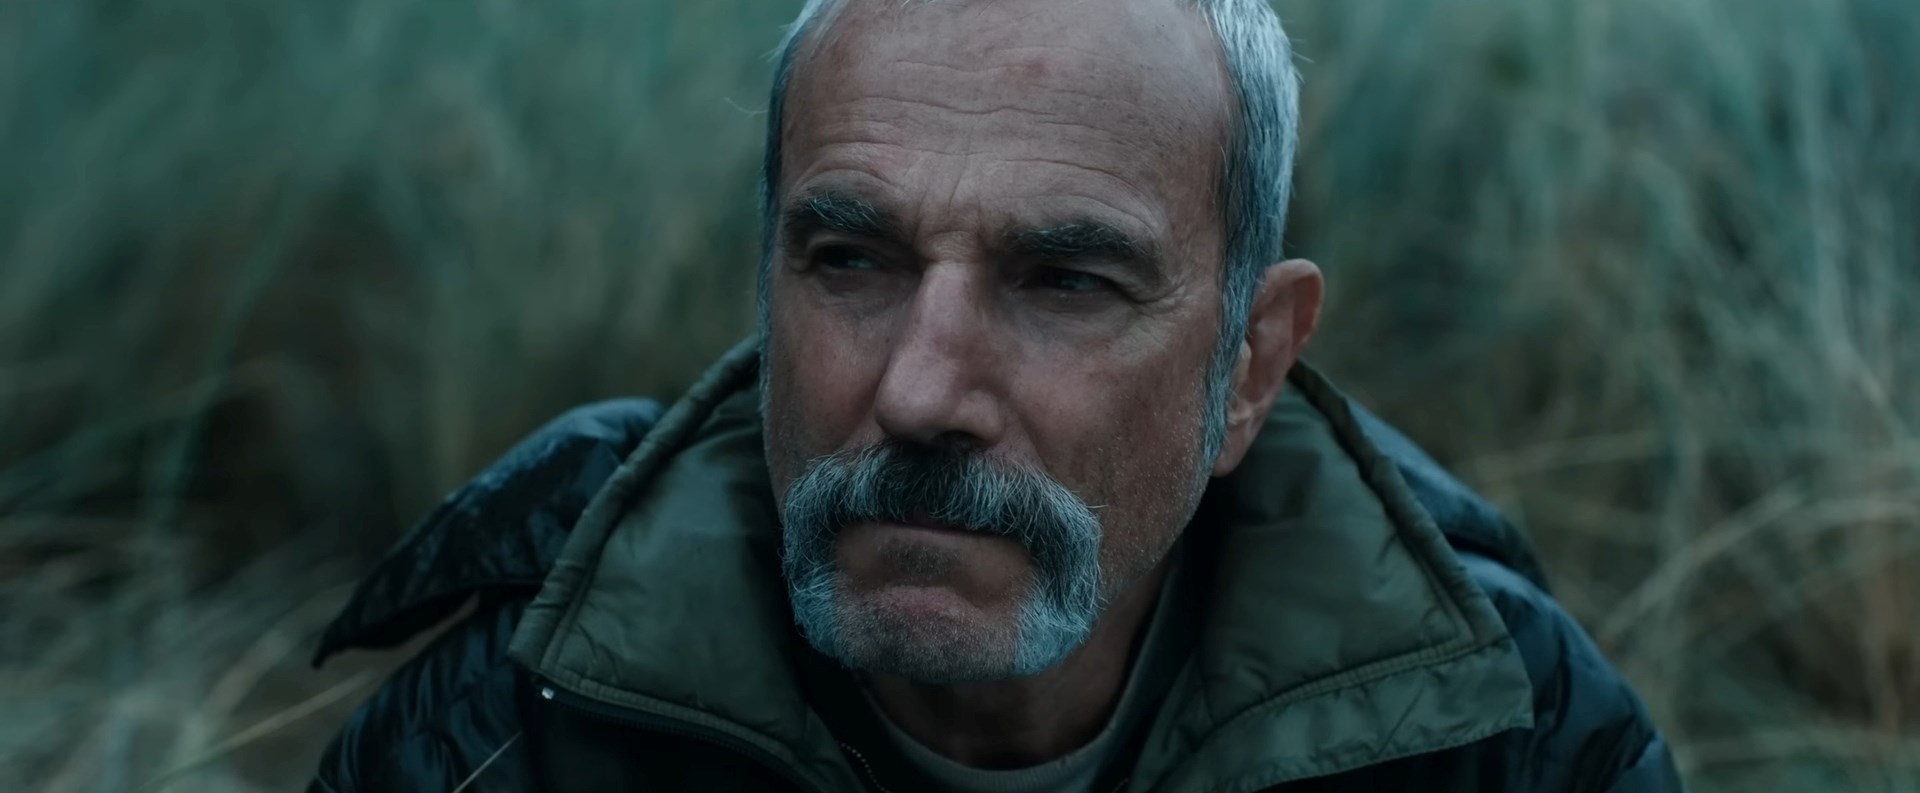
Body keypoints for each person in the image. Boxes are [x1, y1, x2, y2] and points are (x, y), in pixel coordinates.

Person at [307, 0, 1684, 789]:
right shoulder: (508, 736)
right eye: (851, 261)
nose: (919, 391)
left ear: (1250, 366)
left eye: (1064, 282)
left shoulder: (1506, 743)